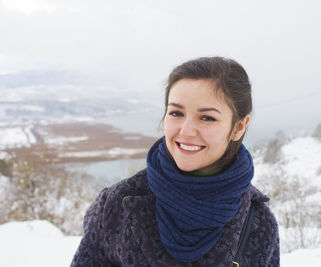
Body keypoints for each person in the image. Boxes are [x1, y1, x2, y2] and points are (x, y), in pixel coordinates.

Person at [71, 57, 280, 266]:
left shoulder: (258, 223)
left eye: (207, 117)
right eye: (176, 113)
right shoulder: (118, 204)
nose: (186, 131)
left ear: (239, 127)